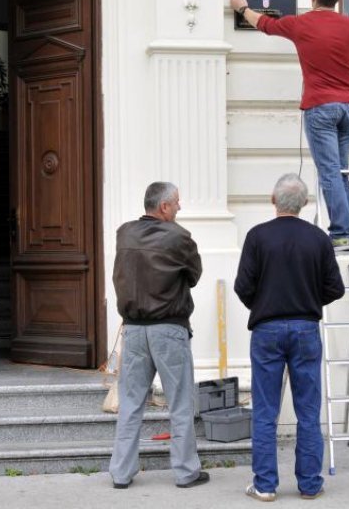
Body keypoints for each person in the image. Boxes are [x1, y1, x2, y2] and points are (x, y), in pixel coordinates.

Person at [229, 0, 349, 252]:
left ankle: (341, 234)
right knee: (342, 171)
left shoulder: (301, 23)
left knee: (329, 173)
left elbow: (265, 24)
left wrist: (241, 7)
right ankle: (344, 231)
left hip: (321, 106)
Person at [234, 173, 345, 502]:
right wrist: (308, 301)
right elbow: (334, 288)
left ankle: (265, 485)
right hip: (305, 328)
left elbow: (243, 286)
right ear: (305, 203)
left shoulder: (258, 236)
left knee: (266, 412)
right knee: (307, 411)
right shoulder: (318, 238)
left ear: (273, 199)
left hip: (267, 329)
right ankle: (310, 483)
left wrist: (264, 304)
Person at [108, 182, 209, 489]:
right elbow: (194, 276)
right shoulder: (178, 237)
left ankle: (121, 473)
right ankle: (185, 471)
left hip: (135, 329)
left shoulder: (124, 233)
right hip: (169, 328)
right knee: (179, 403)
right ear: (164, 207)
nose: (180, 207)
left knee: (130, 403)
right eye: (177, 202)